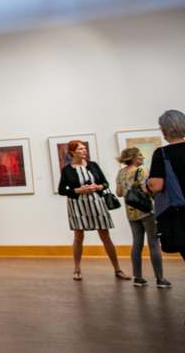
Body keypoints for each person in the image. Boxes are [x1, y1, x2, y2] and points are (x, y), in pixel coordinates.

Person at [58, 140, 130, 281]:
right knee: (78, 237)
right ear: (72, 152)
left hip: (97, 203)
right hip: (77, 205)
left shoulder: (93, 165)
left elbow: (105, 183)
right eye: (80, 149)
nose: (84, 151)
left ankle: (118, 269)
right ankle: (77, 269)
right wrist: (77, 190)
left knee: (105, 236)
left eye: (85, 148)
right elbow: (61, 190)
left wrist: (98, 187)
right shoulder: (67, 169)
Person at [114, 147, 170, 287]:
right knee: (153, 243)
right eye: (139, 155)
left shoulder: (120, 172)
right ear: (133, 157)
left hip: (131, 212)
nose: (142, 158)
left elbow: (119, 193)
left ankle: (138, 277)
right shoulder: (141, 171)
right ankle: (160, 279)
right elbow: (148, 189)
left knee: (137, 244)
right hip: (146, 210)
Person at [147, 109, 185, 262]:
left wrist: (147, 185)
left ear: (164, 129)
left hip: (180, 212)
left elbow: (156, 186)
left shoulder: (162, 153)